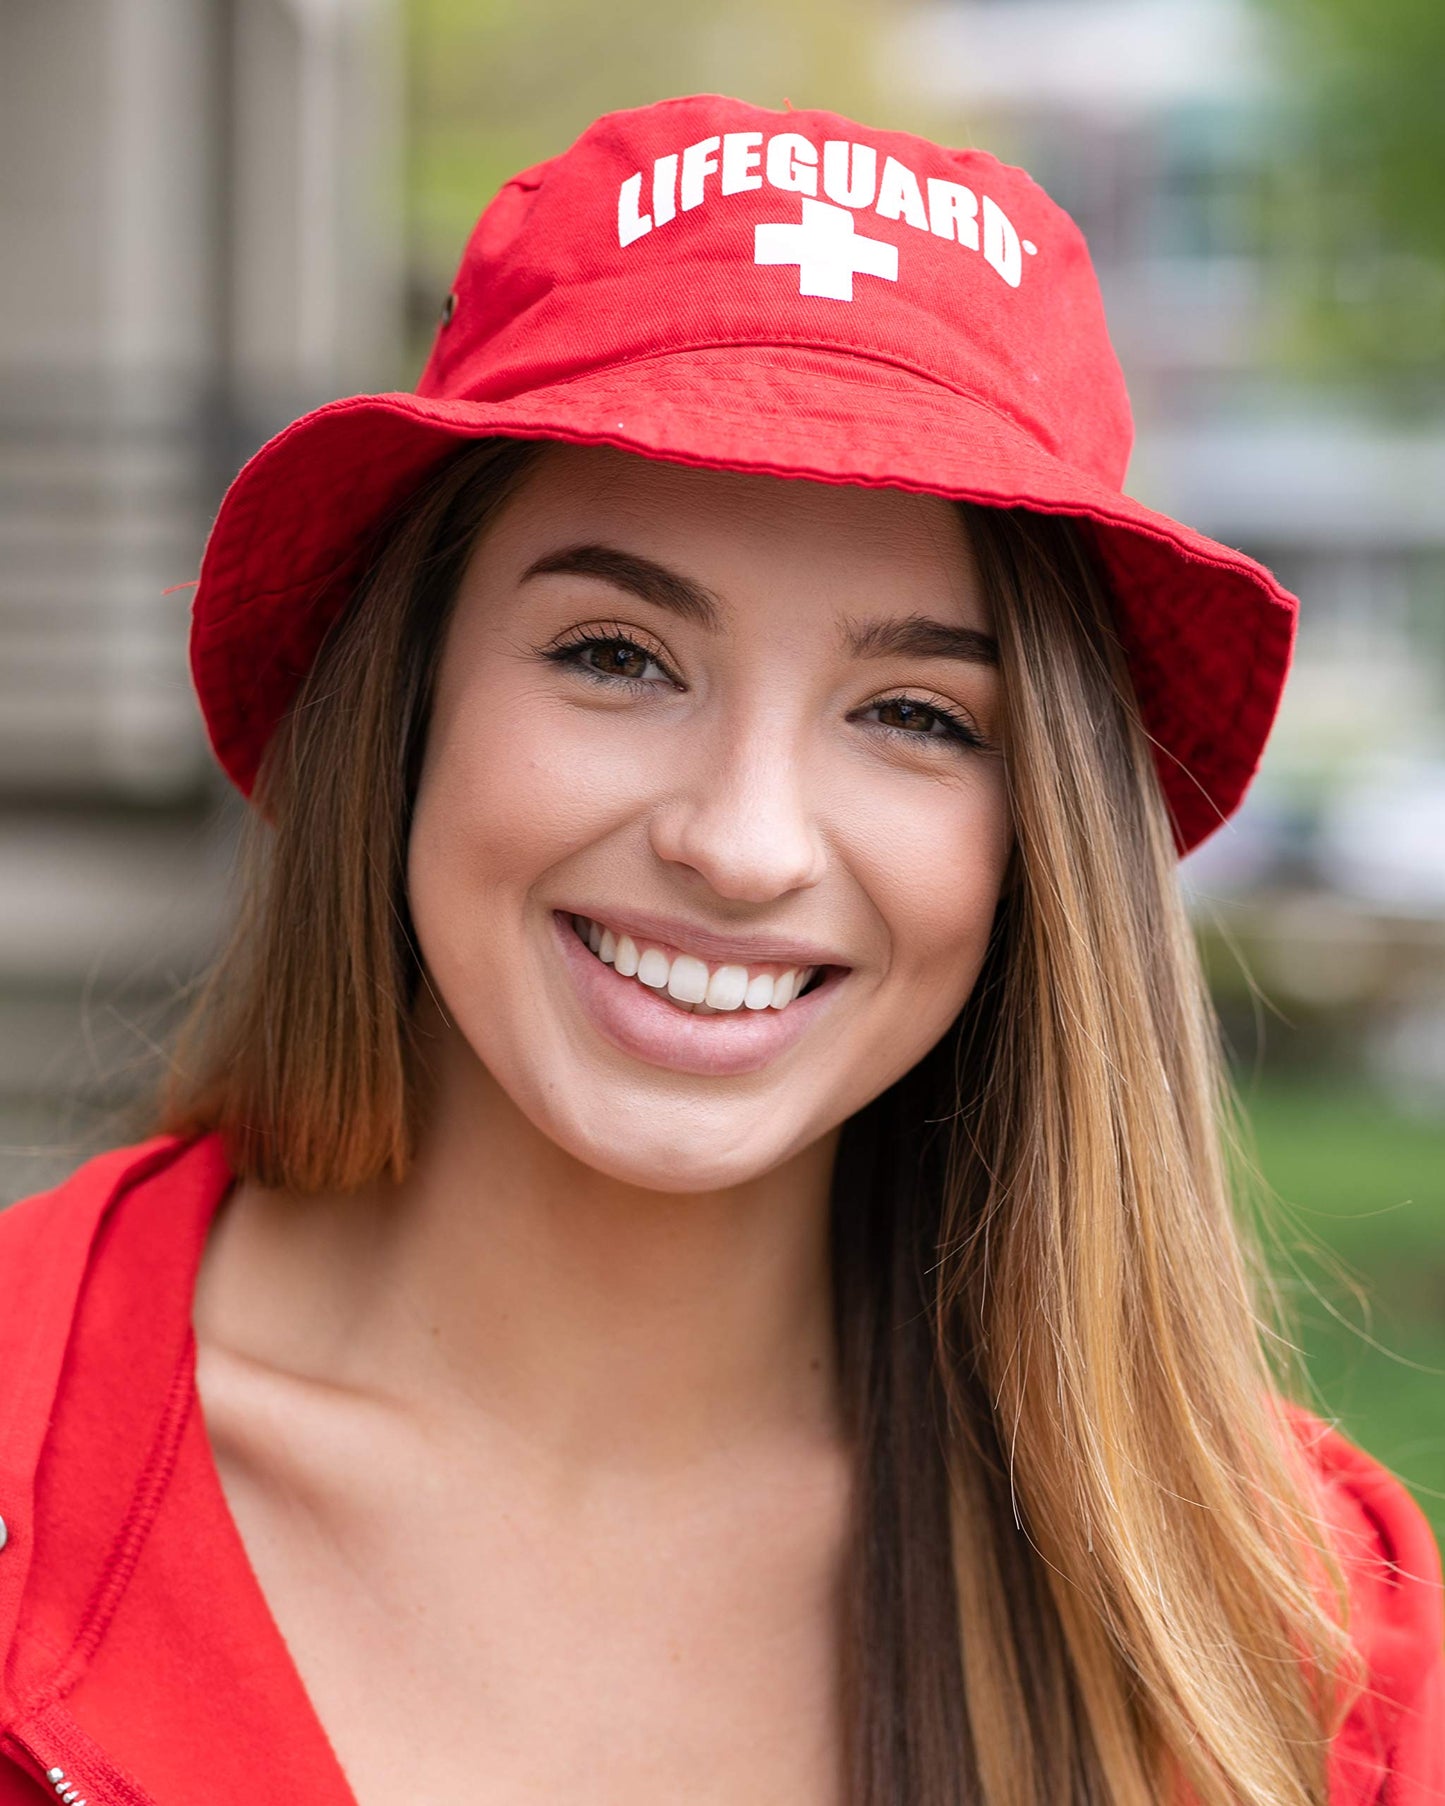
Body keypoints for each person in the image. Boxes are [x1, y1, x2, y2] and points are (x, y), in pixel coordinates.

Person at [0, 95, 1438, 1806]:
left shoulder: (1291, 1635)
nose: (741, 843)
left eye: (912, 712)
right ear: (404, 702)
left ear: (1041, 839)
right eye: (615, 655)